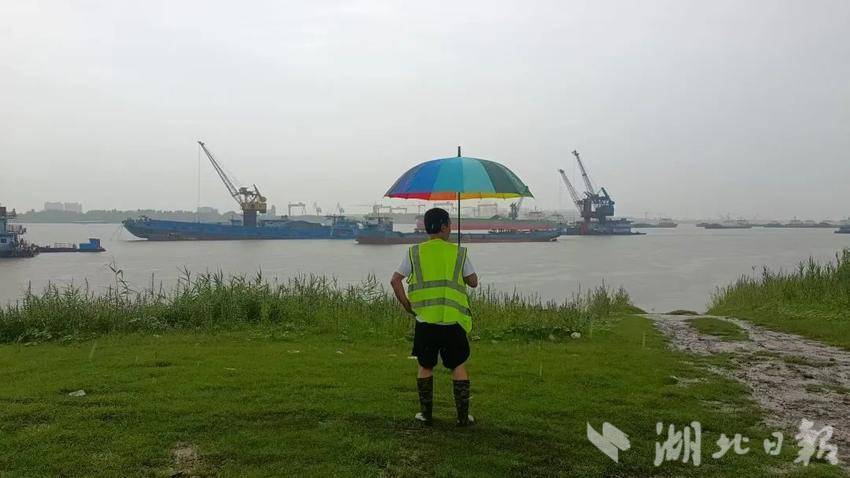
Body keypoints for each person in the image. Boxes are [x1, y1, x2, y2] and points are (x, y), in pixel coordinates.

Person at [390, 207, 479, 426]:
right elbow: (473, 282)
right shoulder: (458, 253)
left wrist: (407, 305)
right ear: (443, 226)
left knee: (425, 365)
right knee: (458, 365)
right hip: (452, 321)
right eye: (449, 224)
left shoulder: (414, 252)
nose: (451, 228)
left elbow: (395, 280)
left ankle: (426, 415)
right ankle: (462, 418)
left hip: (425, 321)